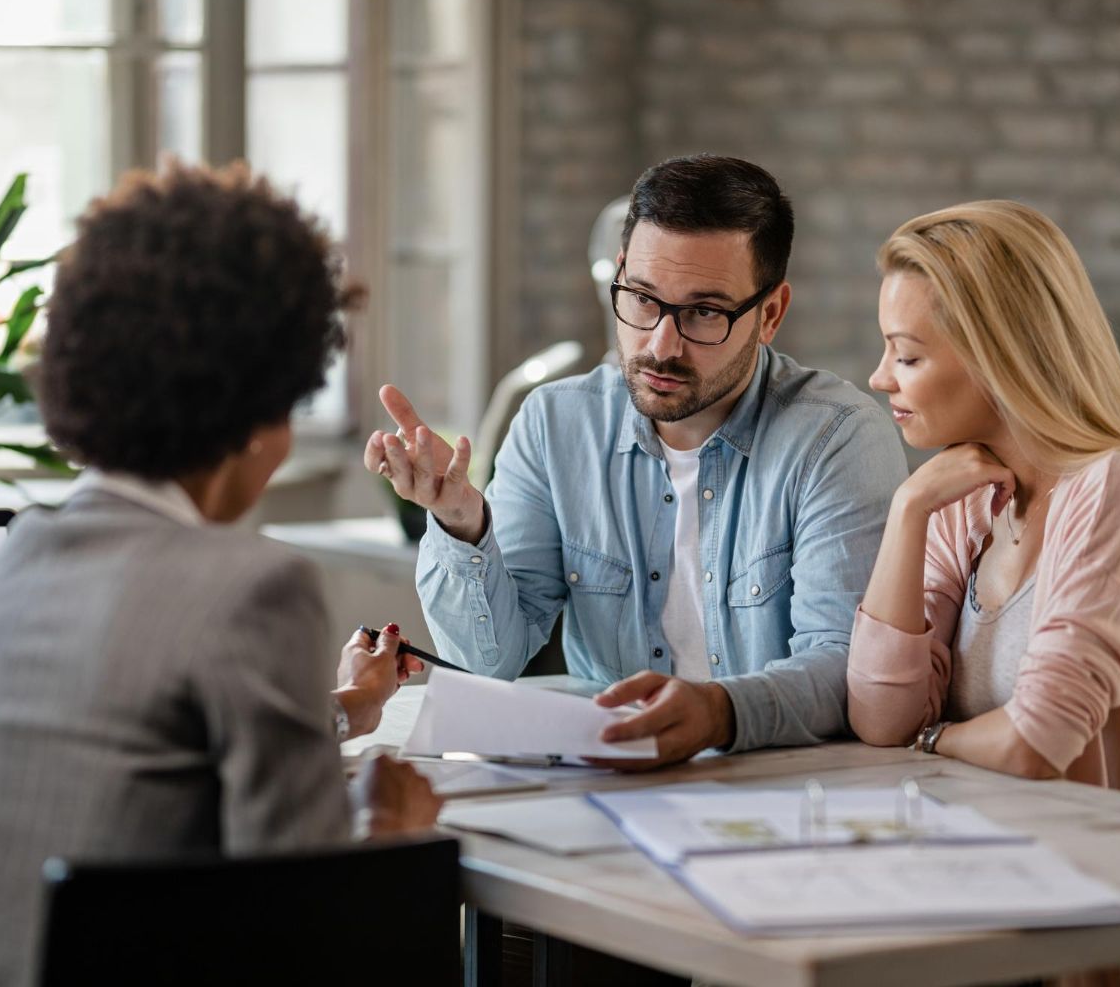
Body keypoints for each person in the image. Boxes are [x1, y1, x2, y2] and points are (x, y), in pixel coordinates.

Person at [0, 163, 442, 986]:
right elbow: (313, 931)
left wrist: (350, 708)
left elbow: (147, 755)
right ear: (259, 416)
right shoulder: (251, 586)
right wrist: (396, 839)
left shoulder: (16, 559)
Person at [847, 199, 1120, 986]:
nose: (879, 378)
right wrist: (909, 515)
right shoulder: (964, 497)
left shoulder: (1119, 488)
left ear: (997, 357)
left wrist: (934, 743)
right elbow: (880, 718)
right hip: (1008, 922)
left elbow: (1031, 745)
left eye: (905, 356)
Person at [366, 154, 907, 768]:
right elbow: (490, 661)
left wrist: (717, 713)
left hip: (777, 786)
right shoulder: (555, 426)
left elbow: (846, 667)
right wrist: (462, 519)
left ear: (771, 315)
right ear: (619, 276)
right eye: (643, 300)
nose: (661, 345)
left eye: (705, 312)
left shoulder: (837, 438)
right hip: (609, 780)